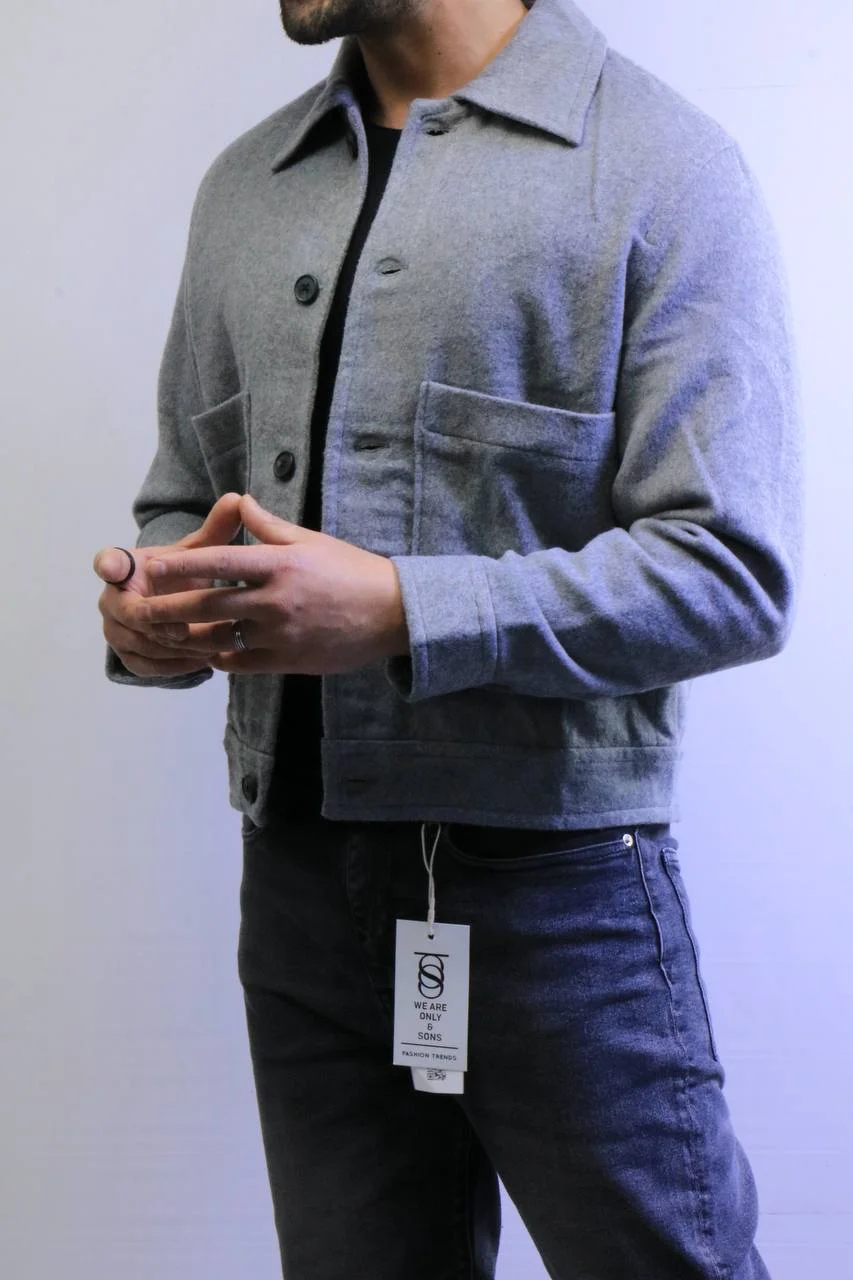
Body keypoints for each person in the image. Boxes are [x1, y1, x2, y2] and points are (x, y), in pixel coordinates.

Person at [93, 0, 803, 1274]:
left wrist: (400, 608)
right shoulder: (247, 187)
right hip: (297, 888)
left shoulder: (659, 165)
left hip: (559, 896)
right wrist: (160, 610)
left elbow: (731, 570)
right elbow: (181, 496)